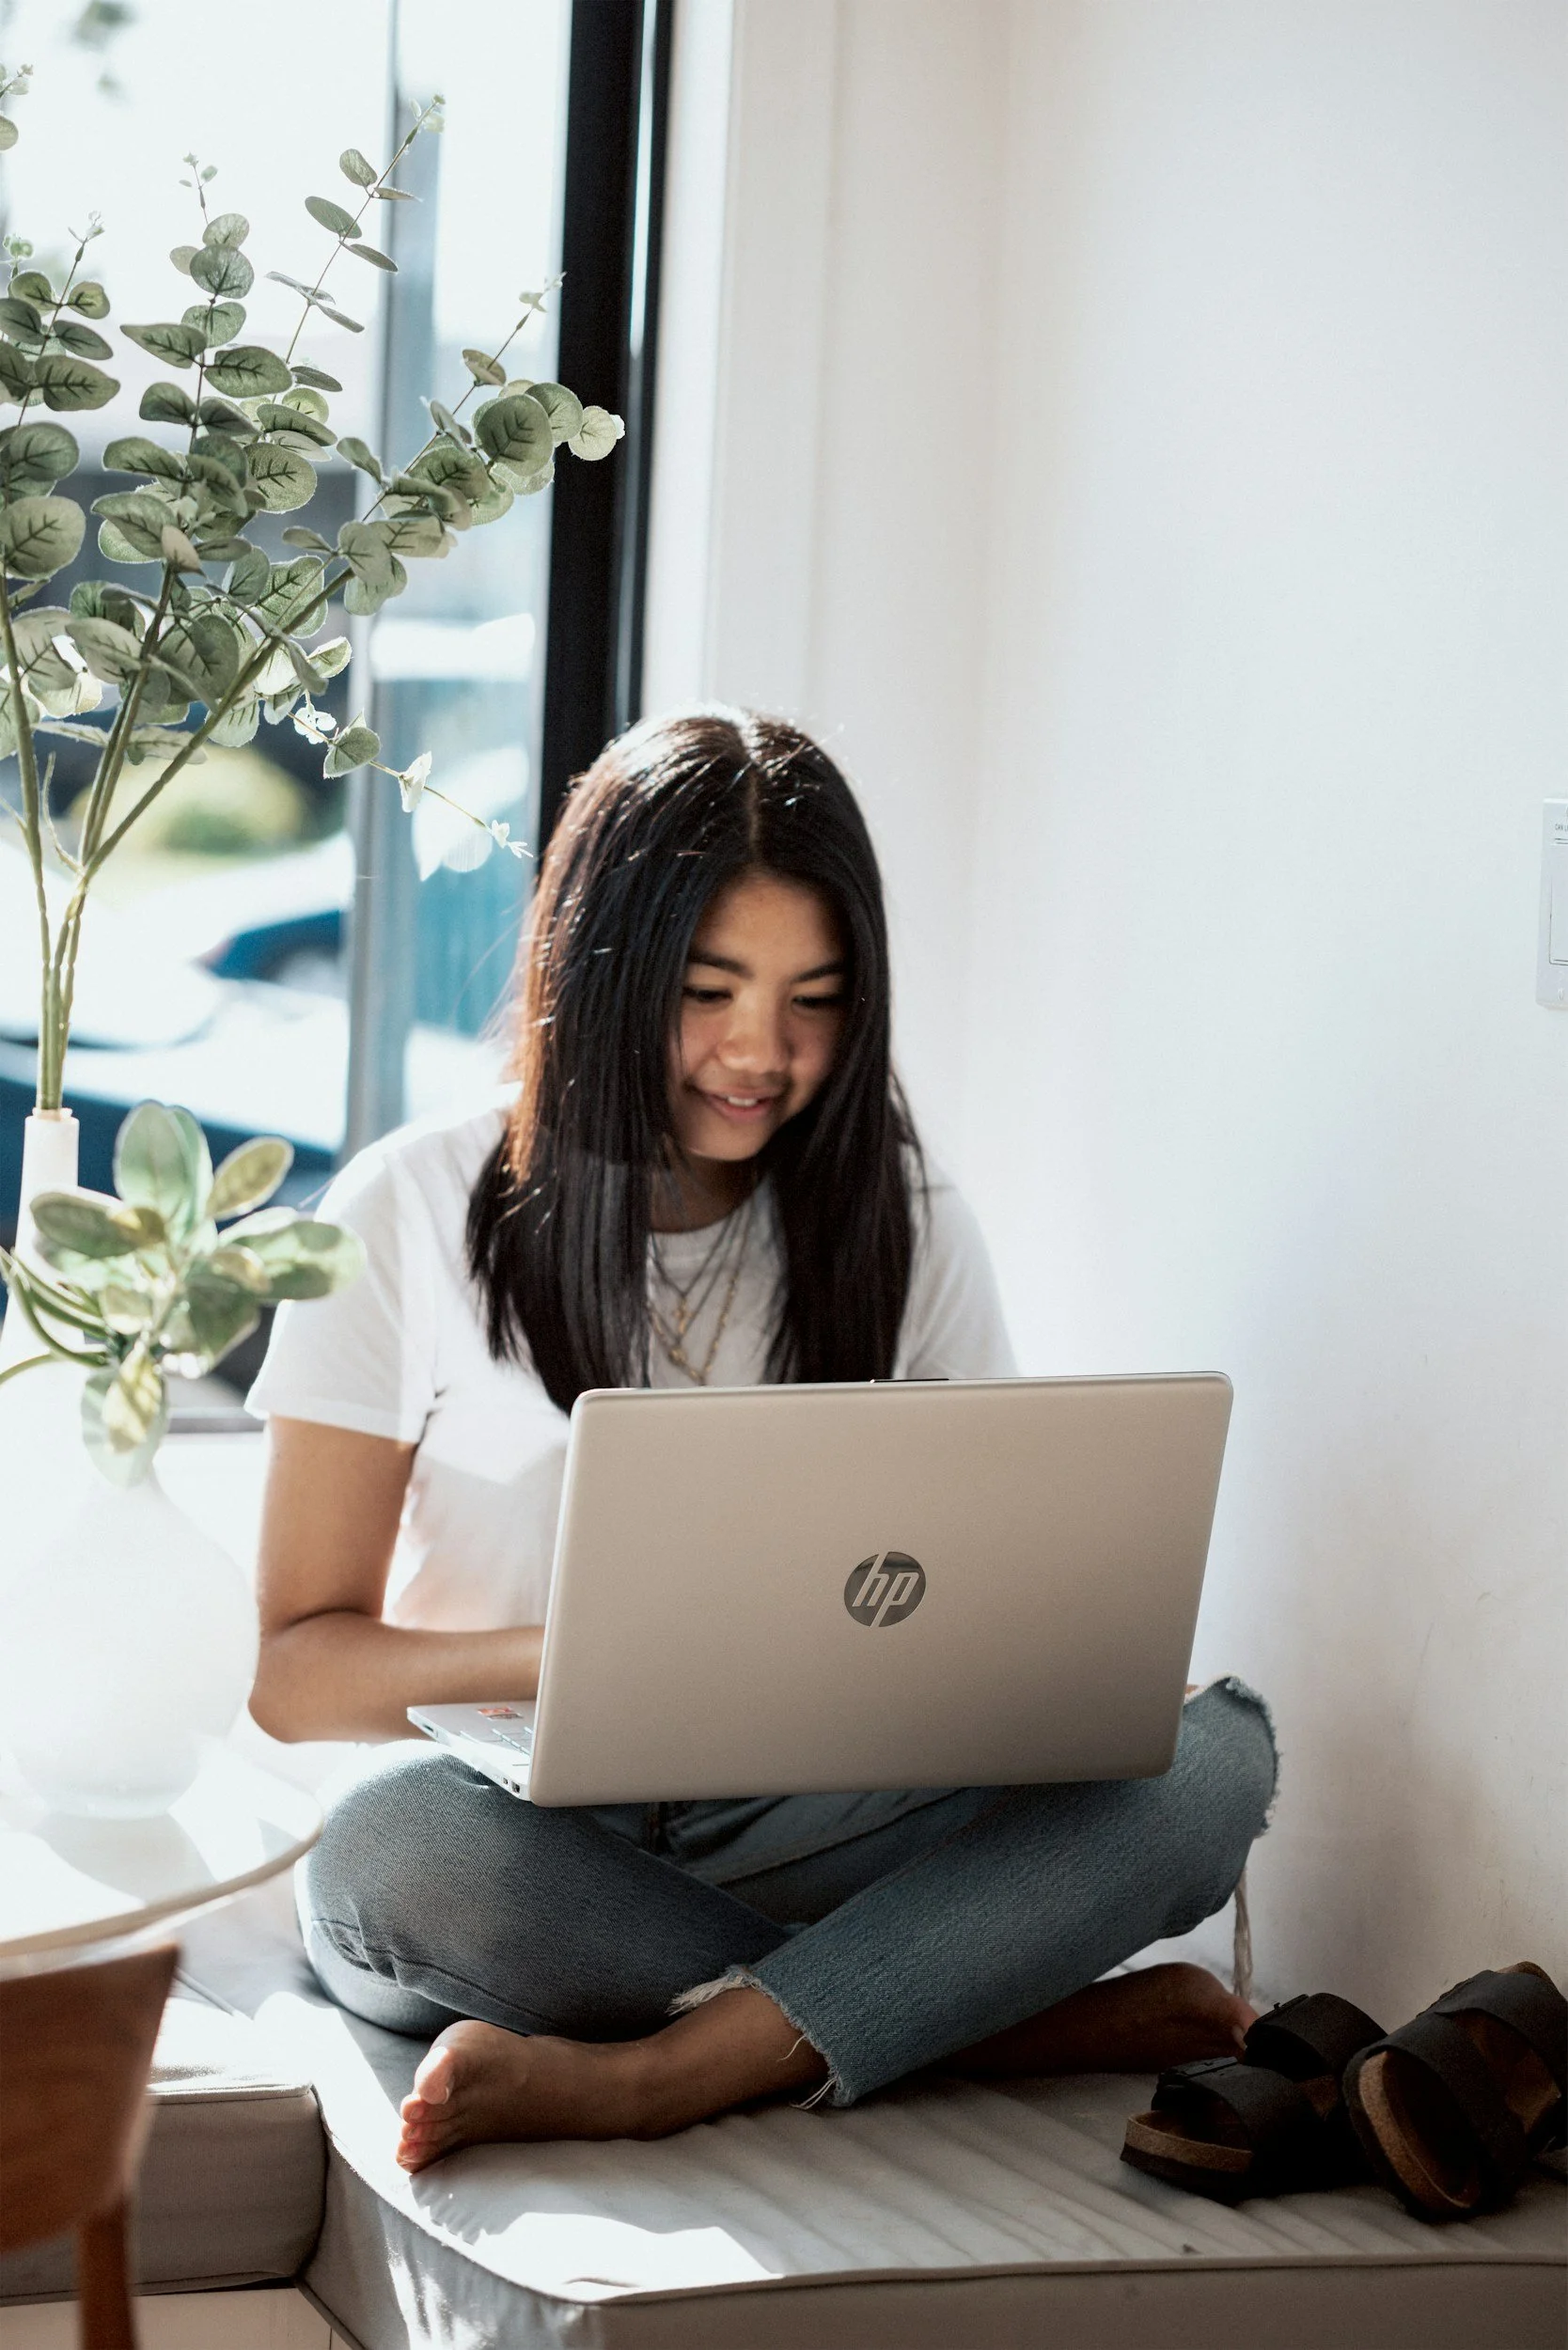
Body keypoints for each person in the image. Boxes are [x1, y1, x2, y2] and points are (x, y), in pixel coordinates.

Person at [248, 707, 1276, 2174]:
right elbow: (296, 1673)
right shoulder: (408, 1212)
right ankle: (968, 2011)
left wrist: (1049, 1674)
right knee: (389, 1859)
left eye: (815, 999)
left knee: (1215, 1749)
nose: (758, 1052)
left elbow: (965, 1597)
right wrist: (592, 1652)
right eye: (708, 989)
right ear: (600, 976)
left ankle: (666, 2074)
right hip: (529, 1838)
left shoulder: (905, 1226)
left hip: (805, 1821)